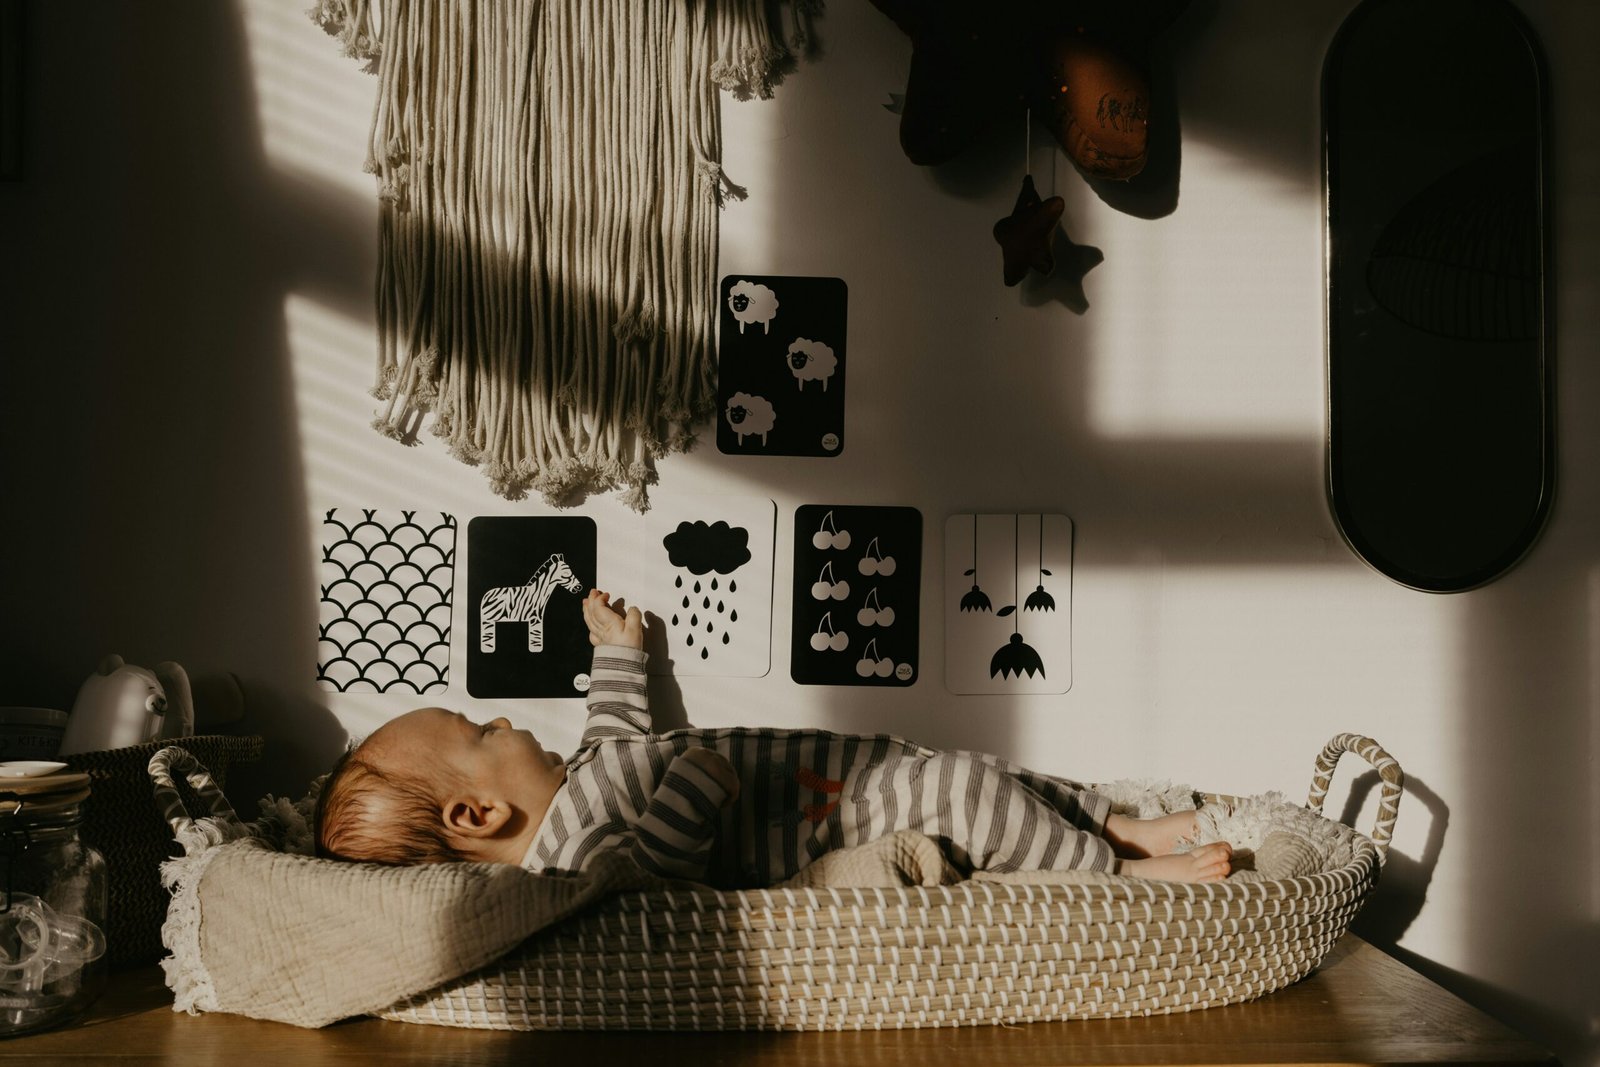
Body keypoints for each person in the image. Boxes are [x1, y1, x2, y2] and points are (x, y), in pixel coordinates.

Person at [316, 589, 1232, 885]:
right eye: (483, 729)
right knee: (967, 793)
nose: (507, 717)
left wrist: (619, 655)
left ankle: (1109, 820)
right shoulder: (580, 859)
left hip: (848, 771)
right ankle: (1118, 875)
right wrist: (697, 782)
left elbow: (613, 729)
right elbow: (657, 877)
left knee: (987, 773)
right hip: (837, 818)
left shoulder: (580, 778)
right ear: (476, 813)